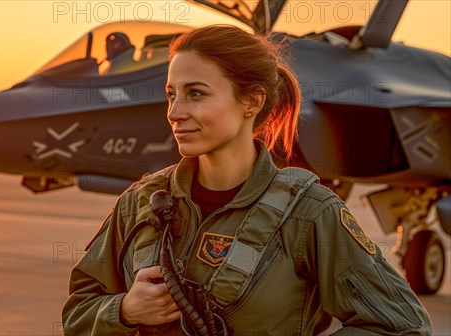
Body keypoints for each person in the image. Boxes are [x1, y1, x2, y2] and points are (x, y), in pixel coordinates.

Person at [62, 24, 431, 335]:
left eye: (196, 94)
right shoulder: (141, 201)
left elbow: (401, 325)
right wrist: (124, 311)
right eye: (171, 95)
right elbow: (78, 311)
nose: (175, 112)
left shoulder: (308, 213)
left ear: (251, 102)